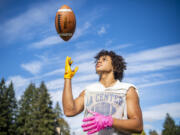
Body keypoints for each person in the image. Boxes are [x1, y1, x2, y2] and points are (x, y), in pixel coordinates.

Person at [62, 50, 143, 135]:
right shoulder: (88, 90)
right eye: (98, 60)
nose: (99, 61)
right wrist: (67, 77)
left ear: (114, 67)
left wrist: (110, 121)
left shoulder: (127, 89)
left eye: (104, 59)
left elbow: (138, 126)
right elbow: (69, 111)